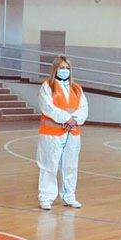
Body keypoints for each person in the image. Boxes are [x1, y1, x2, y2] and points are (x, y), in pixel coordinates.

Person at [36, 56, 88, 210]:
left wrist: (74, 120)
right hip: (52, 134)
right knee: (49, 165)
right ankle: (46, 197)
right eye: (61, 67)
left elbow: (83, 108)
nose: (64, 70)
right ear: (55, 69)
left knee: (70, 165)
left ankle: (69, 196)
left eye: (67, 68)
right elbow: (47, 107)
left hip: (72, 133)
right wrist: (66, 118)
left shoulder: (76, 88)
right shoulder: (47, 86)